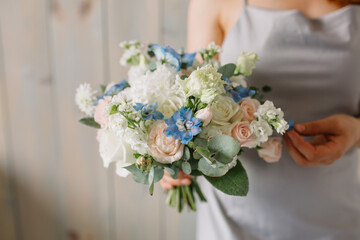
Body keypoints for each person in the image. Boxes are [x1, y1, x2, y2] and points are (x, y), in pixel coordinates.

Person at [160, 0, 360, 239]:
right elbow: (193, 102)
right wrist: (172, 157)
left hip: (336, 217)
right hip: (233, 221)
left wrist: (356, 131)